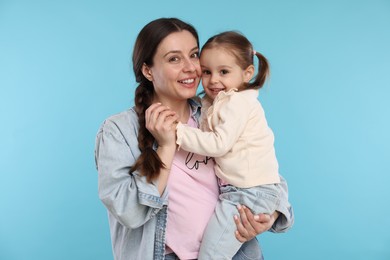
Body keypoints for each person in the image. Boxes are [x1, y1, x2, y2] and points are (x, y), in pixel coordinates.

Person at [94, 18, 294, 260]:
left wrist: (267, 217)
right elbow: (130, 213)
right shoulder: (119, 131)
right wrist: (166, 145)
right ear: (148, 70)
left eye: (194, 55)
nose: (191, 68)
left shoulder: (216, 112)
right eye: (174, 59)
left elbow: (264, 174)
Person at [174, 31, 289, 259]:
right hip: (243, 191)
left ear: (247, 73)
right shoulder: (219, 101)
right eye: (206, 72)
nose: (213, 80)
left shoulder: (237, 102)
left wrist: (176, 131)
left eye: (223, 72)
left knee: (211, 255)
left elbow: (218, 144)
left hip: (246, 194)